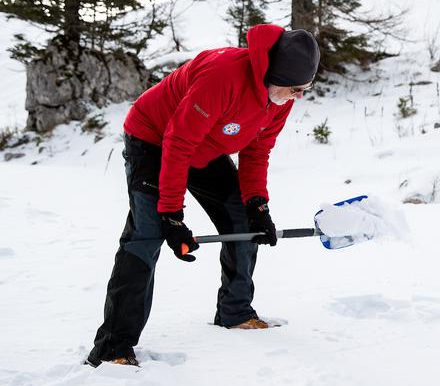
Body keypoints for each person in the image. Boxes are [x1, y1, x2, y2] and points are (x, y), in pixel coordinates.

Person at [86, 24, 320, 367]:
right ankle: (113, 348)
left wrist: (257, 202)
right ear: (274, 74)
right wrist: (171, 215)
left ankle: (235, 312)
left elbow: (257, 151)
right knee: (146, 235)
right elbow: (177, 142)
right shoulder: (223, 76)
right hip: (154, 140)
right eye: (296, 88)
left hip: (204, 149)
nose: (299, 96)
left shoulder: (278, 99)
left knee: (243, 219)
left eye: (306, 89)